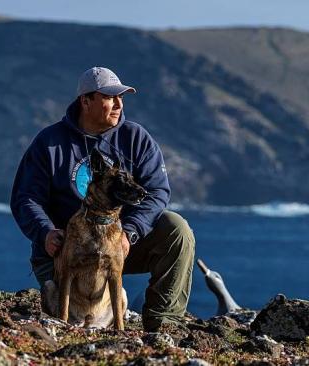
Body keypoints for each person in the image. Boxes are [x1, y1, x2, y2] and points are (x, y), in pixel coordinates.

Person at [10, 66, 195, 331]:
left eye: (121, 97)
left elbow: (157, 192)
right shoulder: (49, 143)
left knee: (177, 230)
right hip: (64, 252)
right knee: (67, 316)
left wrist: (130, 232)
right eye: (109, 97)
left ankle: (162, 324)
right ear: (86, 101)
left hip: (116, 245)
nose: (119, 104)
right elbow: (26, 198)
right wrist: (45, 233)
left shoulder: (136, 138)